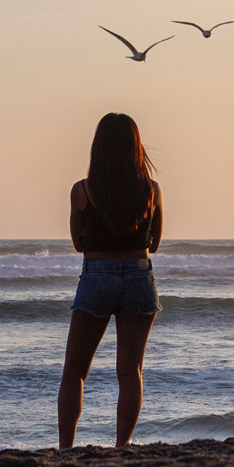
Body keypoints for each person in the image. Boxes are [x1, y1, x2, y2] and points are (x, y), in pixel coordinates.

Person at [59, 113, 164, 449]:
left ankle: (66, 449)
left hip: (97, 276)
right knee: (129, 371)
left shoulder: (82, 191)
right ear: (136, 147)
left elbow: (79, 244)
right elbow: (155, 244)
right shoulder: (151, 190)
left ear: (98, 147)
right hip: (137, 273)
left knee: (75, 370)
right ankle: (121, 446)